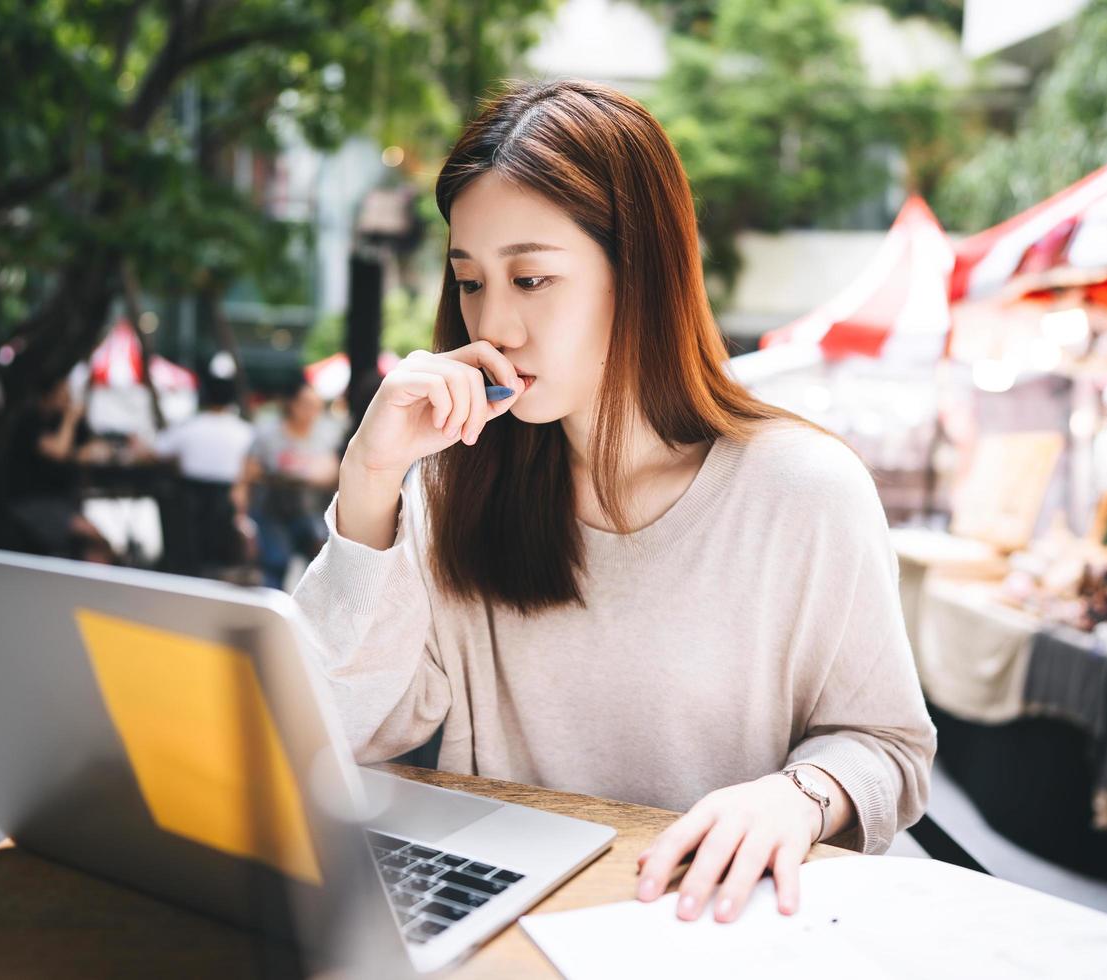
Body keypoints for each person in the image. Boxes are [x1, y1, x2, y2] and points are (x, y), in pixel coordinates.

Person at [291, 80, 934, 925]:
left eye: (531, 278)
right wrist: (369, 485)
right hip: (501, 924)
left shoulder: (802, 491)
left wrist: (797, 798)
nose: (496, 324)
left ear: (639, 272)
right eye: (471, 282)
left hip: (705, 924)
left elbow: (889, 746)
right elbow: (337, 728)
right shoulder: (458, 484)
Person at [152, 371, 256, 575]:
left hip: (189, 503)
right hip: (226, 502)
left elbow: (158, 451)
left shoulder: (189, 426)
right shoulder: (244, 431)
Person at [5, 377, 116, 562]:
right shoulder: (30, 421)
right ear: (47, 397)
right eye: (63, 394)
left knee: (93, 542)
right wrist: (70, 419)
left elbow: (93, 447)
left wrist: (79, 450)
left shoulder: (65, 423)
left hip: (64, 502)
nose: (68, 399)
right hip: (33, 501)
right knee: (91, 536)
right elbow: (58, 451)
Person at [246, 380, 342, 589]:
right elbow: (249, 474)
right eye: (306, 404)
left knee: (320, 565)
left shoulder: (326, 435)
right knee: (275, 563)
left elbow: (331, 472)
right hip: (272, 510)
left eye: (316, 406)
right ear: (292, 404)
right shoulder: (268, 435)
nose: (311, 412)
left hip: (312, 511)